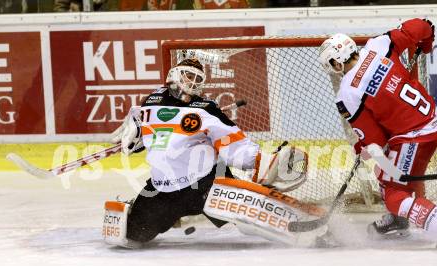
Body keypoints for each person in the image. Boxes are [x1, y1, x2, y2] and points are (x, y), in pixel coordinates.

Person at [103, 58, 322, 248]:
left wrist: (259, 161)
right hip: (162, 190)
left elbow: (232, 141)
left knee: (250, 221)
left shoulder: (206, 108)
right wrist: (136, 128)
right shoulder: (150, 102)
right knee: (132, 235)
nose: (193, 83)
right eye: (189, 76)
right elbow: (146, 125)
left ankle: (302, 225)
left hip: (207, 184)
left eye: (198, 79)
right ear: (174, 75)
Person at [318, 18, 436, 238]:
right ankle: (400, 220)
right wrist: (428, 40)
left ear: (336, 63)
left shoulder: (347, 94)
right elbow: (421, 26)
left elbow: (377, 140)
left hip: (414, 136)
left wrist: (362, 147)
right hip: (432, 117)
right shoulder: (378, 45)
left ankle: (433, 221)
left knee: (393, 194)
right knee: (385, 174)